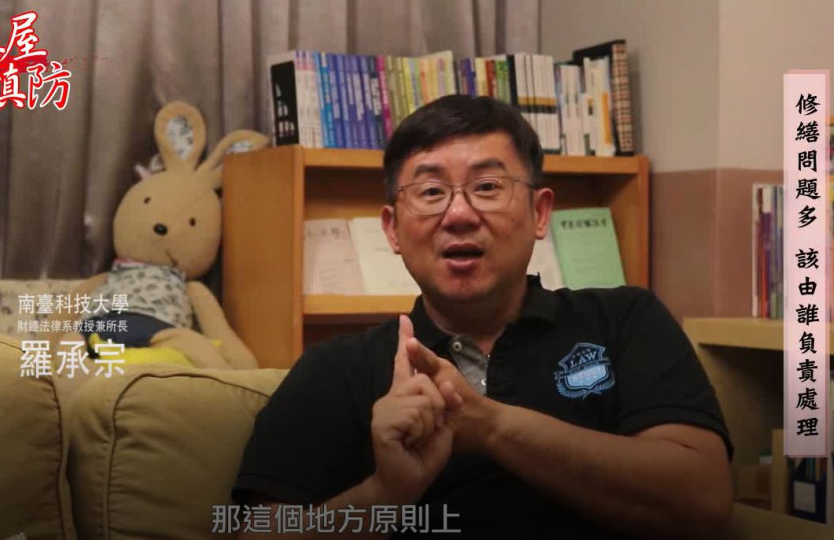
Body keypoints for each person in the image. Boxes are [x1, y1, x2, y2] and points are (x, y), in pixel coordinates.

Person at [232, 95, 733, 539]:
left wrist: (491, 427)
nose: (459, 214)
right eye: (431, 192)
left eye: (488, 186)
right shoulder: (337, 368)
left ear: (540, 213)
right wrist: (385, 493)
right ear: (393, 229)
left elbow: (704, 502)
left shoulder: (624, 320)